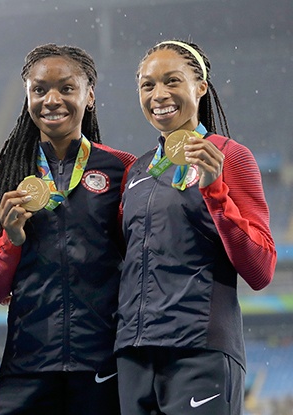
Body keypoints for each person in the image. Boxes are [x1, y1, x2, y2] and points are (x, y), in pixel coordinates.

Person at [115, 39, 277, 415]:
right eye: (148, 85)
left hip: (198, 350)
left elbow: (261, 269)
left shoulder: (230, 156)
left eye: (173, 81)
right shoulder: (137, 171)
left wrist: (214, 191)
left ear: (200, 87)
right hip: (134, 357)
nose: (159, 95)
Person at [0, 44, 136, 415]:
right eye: (39, 89)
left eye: (66, 88)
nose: (52, 100)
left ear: (89, 95)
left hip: (101, 363)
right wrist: (11, 241)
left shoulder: (121, 170)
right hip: (28, 364)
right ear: (27, 96)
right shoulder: (3, 177)